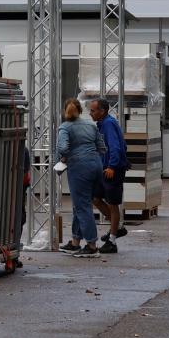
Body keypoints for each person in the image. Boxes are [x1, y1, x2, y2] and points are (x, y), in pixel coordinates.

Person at [54, 98, 106, 258]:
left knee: (83, 206)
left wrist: (63, 158)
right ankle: (76, 242)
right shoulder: (91, 125)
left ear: (65, 111)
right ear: (81, 110)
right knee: (80, 203)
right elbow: (102, 147)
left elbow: (62, 147)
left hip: (79, 167)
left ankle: (91, 245)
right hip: (96, 165)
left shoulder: (65, 128)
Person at [88, 98, 128, 254]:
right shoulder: (102, 124)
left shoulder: (108, 124)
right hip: (104, 168)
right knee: (96, 198)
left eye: (93, 110)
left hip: (112, 169)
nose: (90, 113)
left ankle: (112, 241)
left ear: (102, 111)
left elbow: (116, 146)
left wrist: (112, 166)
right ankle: (117, 227)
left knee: (112, 203)